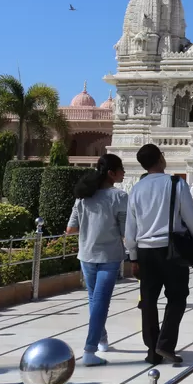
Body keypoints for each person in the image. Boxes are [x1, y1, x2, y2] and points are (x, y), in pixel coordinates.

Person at [125, 144, 193, 365]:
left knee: (149, 300)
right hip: (172, 250)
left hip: (144, 251)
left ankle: (152, 350)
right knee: (177, 297)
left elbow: (130, 227)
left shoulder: (136, 189)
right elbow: (191, 217)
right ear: (160, 159)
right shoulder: (175, 183)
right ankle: (166, 343)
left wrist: (133, 256)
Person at [66, 154, 128, 366]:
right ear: (111, 173)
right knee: (100, 302)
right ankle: (90, 349)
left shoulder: (83, 197)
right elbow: (125, 230)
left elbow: (70, 229)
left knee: (96, 301)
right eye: (121, 169)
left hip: (86, 255)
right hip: (108, 256)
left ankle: (101, 339)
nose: (123, 172)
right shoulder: (119, 197)